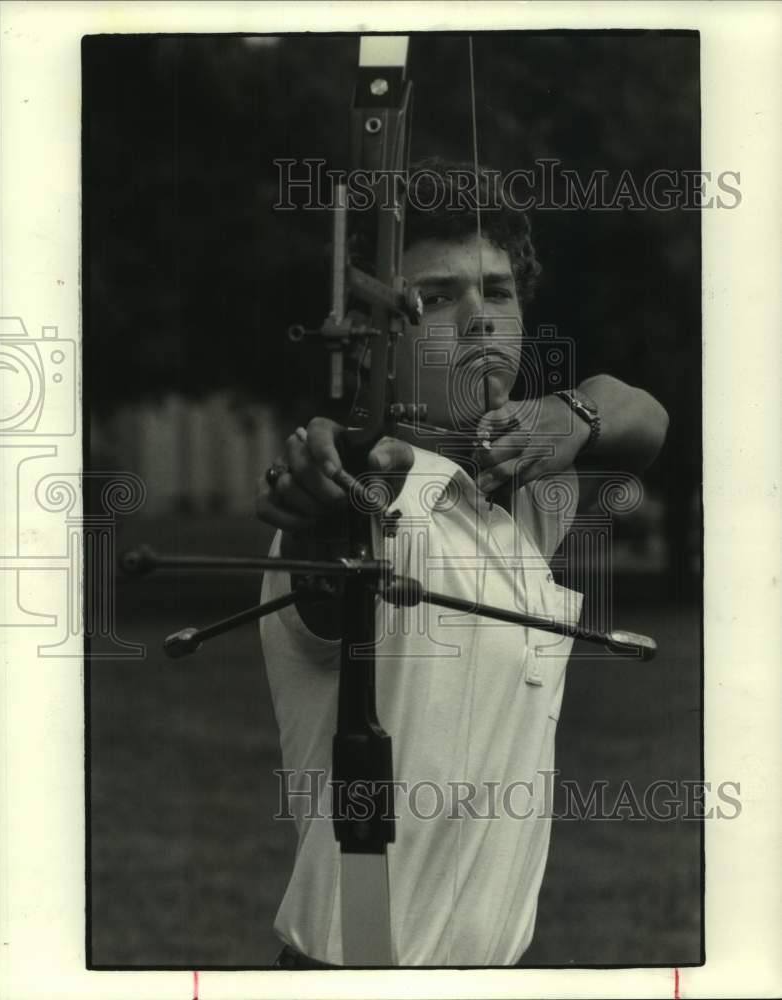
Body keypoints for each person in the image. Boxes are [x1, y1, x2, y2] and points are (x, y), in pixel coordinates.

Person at [256, 159, 669, 967]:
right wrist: (322, 472)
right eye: (436, 298)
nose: (479, 317)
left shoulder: (529, 499)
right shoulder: (369, 502)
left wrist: (575, 414)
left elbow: (643, 416)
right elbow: (339, 504)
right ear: (370, 339)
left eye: (499, 292)